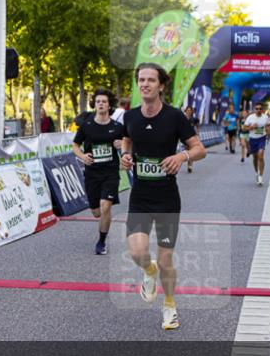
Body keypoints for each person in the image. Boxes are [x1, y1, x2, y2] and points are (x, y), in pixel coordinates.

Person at [120, 63, 205, 331]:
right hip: (140, 196)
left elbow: (199, 148)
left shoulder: (174, 117)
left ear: (161, 85)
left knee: (166, 258)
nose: (144, 84)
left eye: (150, 80)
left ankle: (169, 307)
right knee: (137, 252)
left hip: (167, 198)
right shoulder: (130, 116)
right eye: (141, 80)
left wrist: (181, 156)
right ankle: (148, 271)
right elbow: (126, 139)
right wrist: (125, 154)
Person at [72, 89, 124, 255]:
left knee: (105, 206)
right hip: (92, 173)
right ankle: (101, 220)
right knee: (96, 212)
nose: (101, 104)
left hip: (110, 172)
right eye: (98, 101)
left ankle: (101, 241)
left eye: (104, 101)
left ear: (109, 106)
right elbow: (75, 145)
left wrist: (121, 143)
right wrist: (82, 156)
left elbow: (128, 143)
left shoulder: (117, 127)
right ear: (94, 104)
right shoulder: (87, 126)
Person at [243, 103, 270, 186]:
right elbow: (244, 128)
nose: (258, 110)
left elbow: (269, 124)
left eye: (260, 108)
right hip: (253, 139)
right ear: (254, 109)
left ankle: (261, 176)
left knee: (261, 156)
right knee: (255, 157)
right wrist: (251, 127)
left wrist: (268, 131)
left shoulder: (265, 117)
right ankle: (257, 172)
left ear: (262, 109)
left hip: (261, 138)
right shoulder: (250, 117)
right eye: (257, 108)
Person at [182, 106, 200, 173]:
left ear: (192, 111)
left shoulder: (194, 119)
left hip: (192, 137)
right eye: (188, 110)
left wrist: (198, 133)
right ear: (185, 111)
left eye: (190, 110)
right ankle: (187, 162)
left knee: (191, 151)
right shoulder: (182, 118)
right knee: (187, 151)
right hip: (184, 137)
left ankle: (190, 166)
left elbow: (198, 126)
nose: (189, 111)